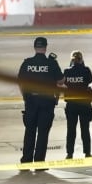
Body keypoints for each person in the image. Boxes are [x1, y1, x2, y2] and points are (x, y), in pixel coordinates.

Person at [17, 37, 64, 171]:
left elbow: (20, 82)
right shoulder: (51, 63)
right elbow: (60, 81)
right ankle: (39, 163)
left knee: (29, 131)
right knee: (43, 133)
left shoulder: (27, 63)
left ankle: (26, 162)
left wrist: (25, 98)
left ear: (34, 47)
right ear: (45, 47)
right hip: (47, 102)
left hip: (31, 102)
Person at [63, 50, 92, 159]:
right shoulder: (86, 70)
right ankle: (87, 152)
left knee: (71, 130)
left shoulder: (67, 71)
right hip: (84, 104)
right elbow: (90, 80)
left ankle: (69, 153)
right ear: (81, 60)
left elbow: (64, 82)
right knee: (85, 129)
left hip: (71, 104)